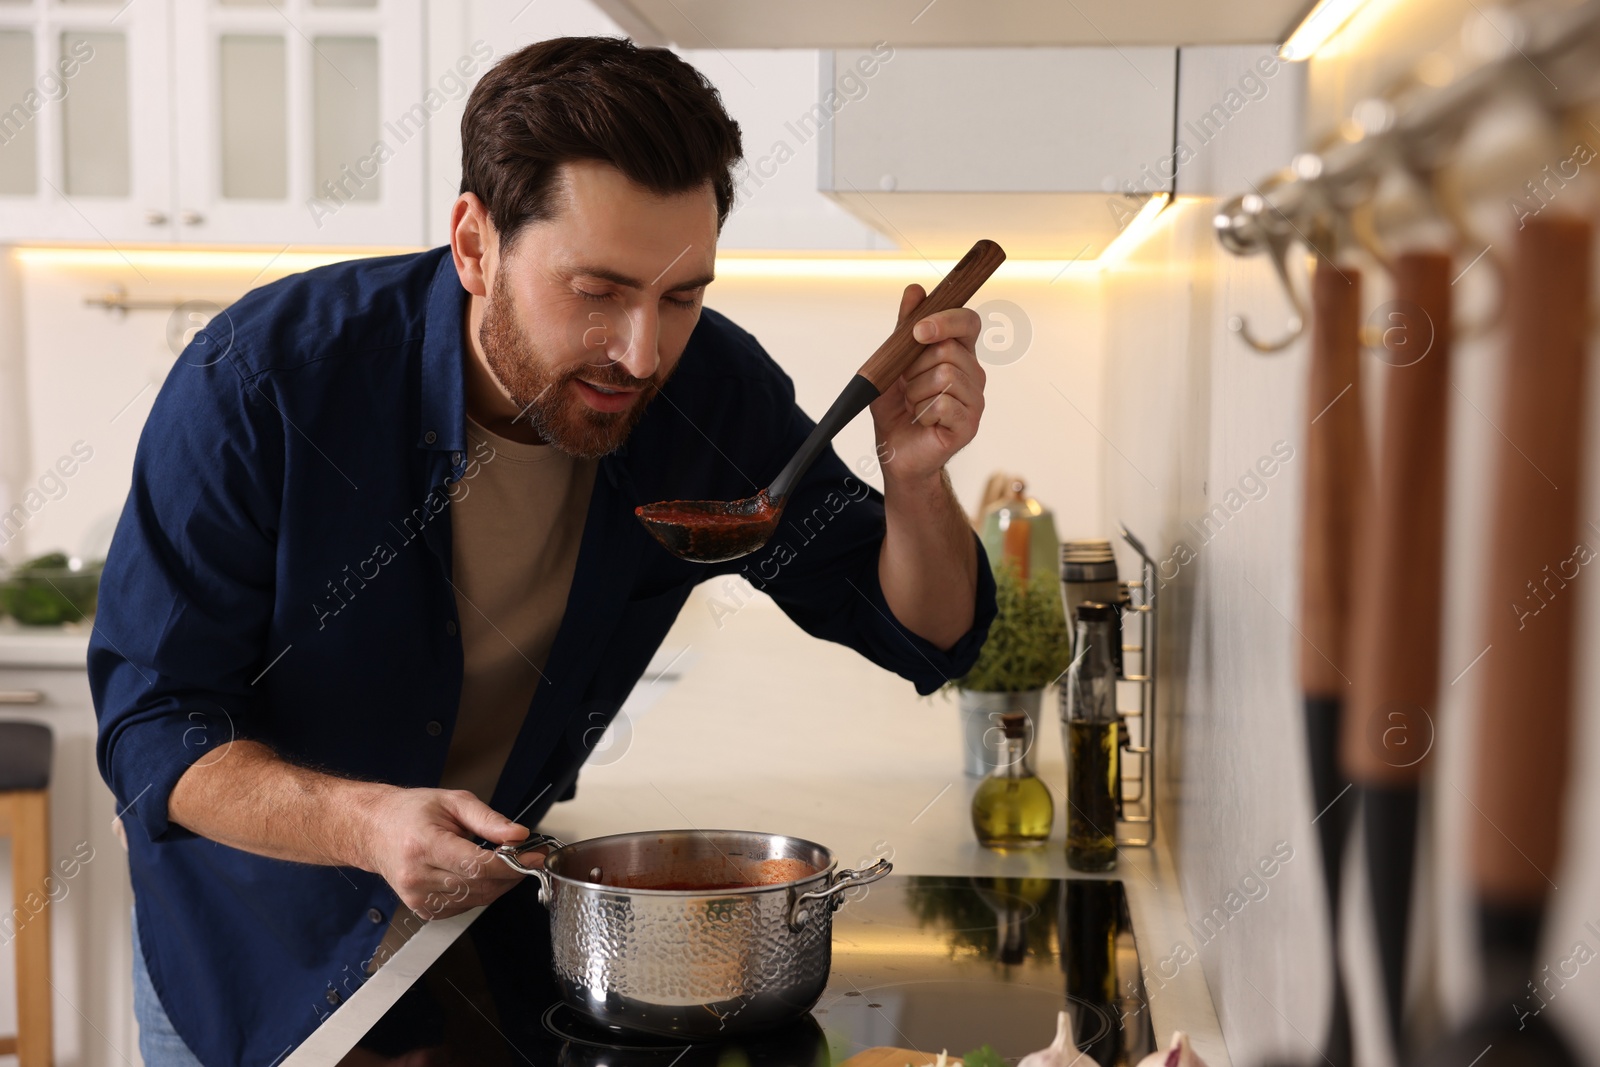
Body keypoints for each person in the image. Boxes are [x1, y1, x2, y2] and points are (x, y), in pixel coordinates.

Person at [90, 35, 996, 1066]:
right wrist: (367, 824)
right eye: (597, 292)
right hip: (257, 949)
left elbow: (928, 634)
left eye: (681, 294)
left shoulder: (705, 393)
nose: (642, 352)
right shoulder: (265, 383)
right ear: (475, 244)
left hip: (487, 931)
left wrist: (916, 483)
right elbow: (156, 728)